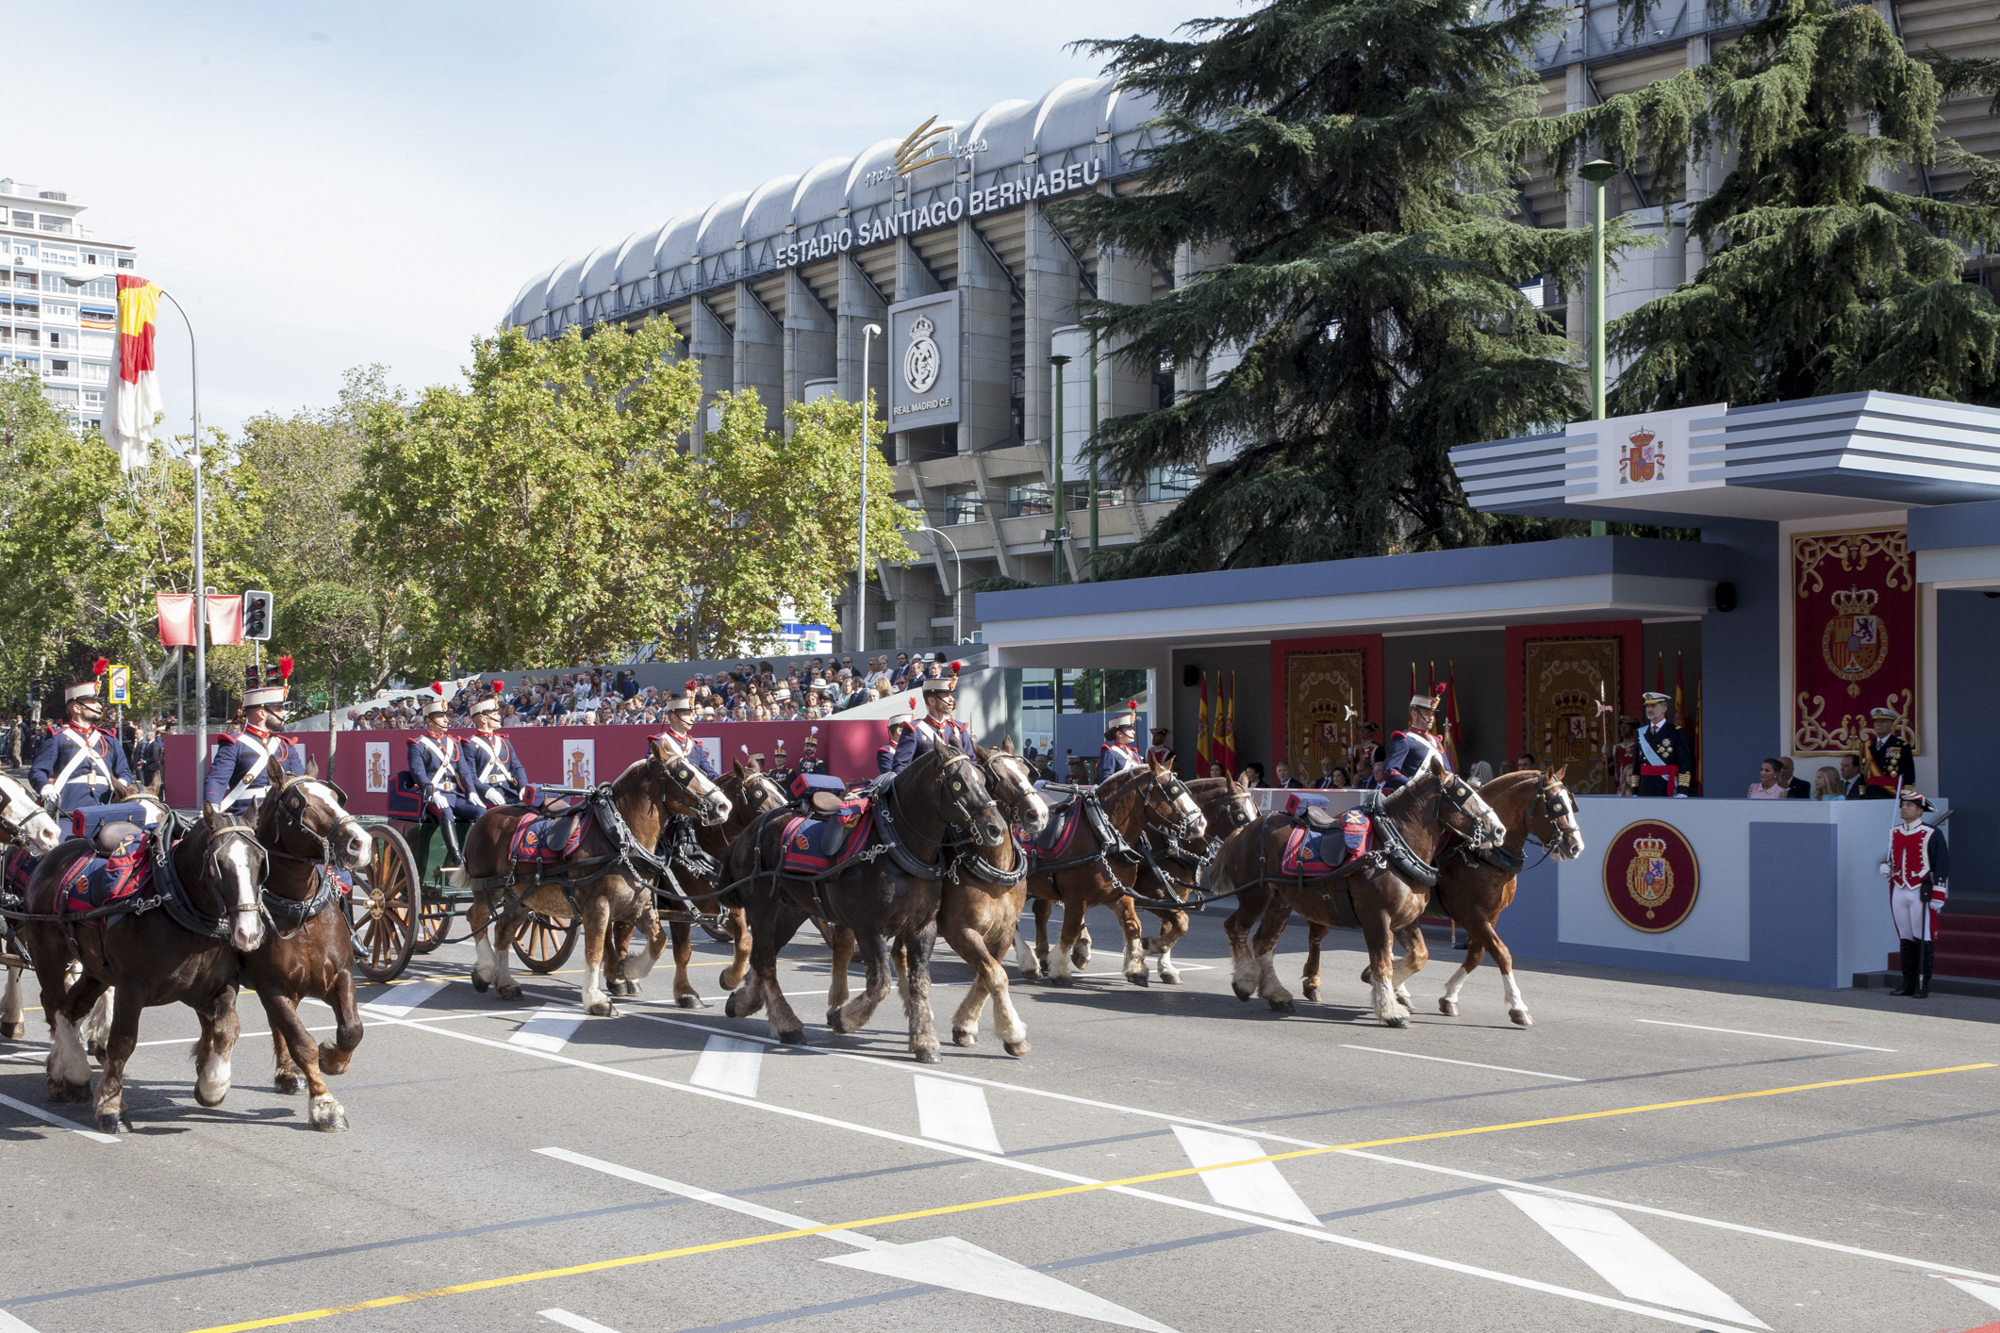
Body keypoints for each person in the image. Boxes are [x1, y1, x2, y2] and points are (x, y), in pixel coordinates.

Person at [203, 664, 308, 814]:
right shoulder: (234, 744)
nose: (284, 714)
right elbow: (216, 780)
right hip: (246, 816)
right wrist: (212, 808)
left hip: (283, 817)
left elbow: (300, 783)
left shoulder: (285, 746)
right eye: (279, 709)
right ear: (261, 714)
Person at [32, 668, 134, 816]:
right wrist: (45, 786)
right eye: (93, 702)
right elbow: (38, 771)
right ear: (77, 708)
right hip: (69, 807)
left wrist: (121, 787)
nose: (99, 706)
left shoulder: (108, 738)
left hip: (108, 804)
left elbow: (124, 772)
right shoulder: (58, 737)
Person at [1880, 789, 1948, 998]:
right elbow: (1894, 859)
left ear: (1920, 811)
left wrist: (1938, 894)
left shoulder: (1931, 833)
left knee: (1923, 937)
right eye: (1903, 805)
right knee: (1906, 937)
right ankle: (1907, 981)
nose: (1904, 808)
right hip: (1899, 888)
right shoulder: (1895, 832)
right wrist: (1886, 868)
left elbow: (1942, 864)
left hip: (1921, 890)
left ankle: (1922, 983)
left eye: (1909, 806)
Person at [409, 694, 479, 866]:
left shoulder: (454, 743)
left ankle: (477, 856)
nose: (446, 720)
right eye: (441, 716)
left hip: (455, 794)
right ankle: (456, 860)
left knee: (480, 813)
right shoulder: (417, 744)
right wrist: (432, 793)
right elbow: (418, 773)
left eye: (446, 716)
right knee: (446, 813)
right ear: (429, 720)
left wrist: (471, 791)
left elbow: (464, 771)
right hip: (434, 796)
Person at [457, 693, 529, 809]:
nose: (499, 717)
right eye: (495, 714)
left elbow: (517, 767)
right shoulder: (470, 744)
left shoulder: (504, 740)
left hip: (509, 791)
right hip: (485, 794)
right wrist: (487, 791)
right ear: (484, 719)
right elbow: (470, 775)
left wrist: (523, 786)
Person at [892, 675, 974, 772]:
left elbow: (972, 763)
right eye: (946, 695)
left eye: (951, 695)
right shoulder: (915, 730)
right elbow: (900, 768)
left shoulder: (959, 729)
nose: (952, 700)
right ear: (932, 701)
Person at [1381, 693, 1446, 793]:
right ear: (1414, 714)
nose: (1431, 718)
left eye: (1432, 714)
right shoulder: (1404, 739)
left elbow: (1448, 772)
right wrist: (1413, 787)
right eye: (1427, 714)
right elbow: (1389, 771)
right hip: (1417, 797)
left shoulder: (1436, 742)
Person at [1632, 692, 1692, 797]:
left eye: (1653, 706)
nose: (1649, 709)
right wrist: (1635, 790)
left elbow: (1684, 762)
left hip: (1666, 786)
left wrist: (1682, 791)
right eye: (1647, 706)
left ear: (1664, 709)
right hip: (1644, 787)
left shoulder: (1675, 732)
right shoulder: (1641, 732)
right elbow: (1636, 765)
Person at [653, 693, 720, 779]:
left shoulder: (695, 746)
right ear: (674, 717)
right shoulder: (659, 742)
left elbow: (710, 774)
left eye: (692, 715)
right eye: (687, 714)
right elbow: (653, 775)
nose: (692, 719)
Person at [1860, 707, 1915, 798]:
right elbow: (1863, 774)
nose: (1879, 724)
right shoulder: (1866, 746)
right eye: (1876, 721)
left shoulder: (1902, 746)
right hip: (1870, 794)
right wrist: (1862, 794)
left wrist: (1907, 796)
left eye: (1883, 721)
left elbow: (1909, 774)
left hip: (1892, 793)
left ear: (1891, 724)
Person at [1098, 712, 1142, 783]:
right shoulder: (1110, 752)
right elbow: (1107, 780)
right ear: (1119, 734)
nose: (1133, 732)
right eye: (1129, 729)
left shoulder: (1134, 753)